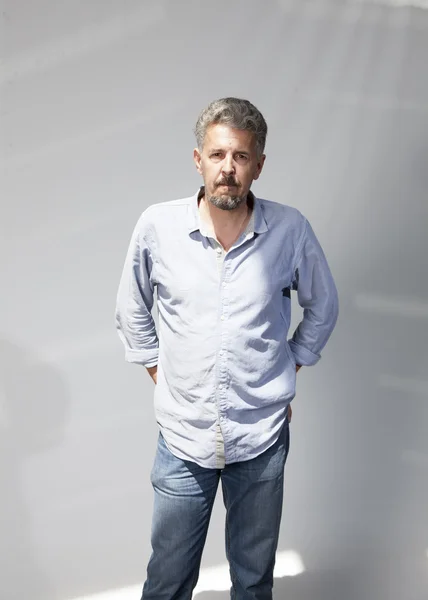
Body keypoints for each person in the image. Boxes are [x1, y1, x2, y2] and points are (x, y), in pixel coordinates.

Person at [115, 97, 339, 600]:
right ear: (198, 160)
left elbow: (323, 306)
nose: (228, 170)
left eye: (240, 157)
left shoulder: (290, 229)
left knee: (254, 581)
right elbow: (132, 308)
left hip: (261, 436)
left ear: (259, 165)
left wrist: (290, 364)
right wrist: (160, 372)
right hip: (183, 437)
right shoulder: (158, 227)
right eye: (217, 156)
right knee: (168, 581)